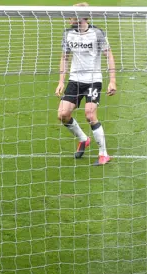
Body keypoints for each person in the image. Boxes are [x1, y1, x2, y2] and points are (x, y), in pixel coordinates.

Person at [55, 2, 116, 165]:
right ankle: (83, 139)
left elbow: (108, 55)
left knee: (90, 114)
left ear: (81, 17)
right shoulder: (68, 34)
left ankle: (104, 154)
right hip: (75, 80)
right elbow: (64, 57)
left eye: (72, 15)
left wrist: (112, 81)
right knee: (62, 115)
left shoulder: (97, 33)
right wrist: (61, 81)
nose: (69, 18)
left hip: (93, 80)